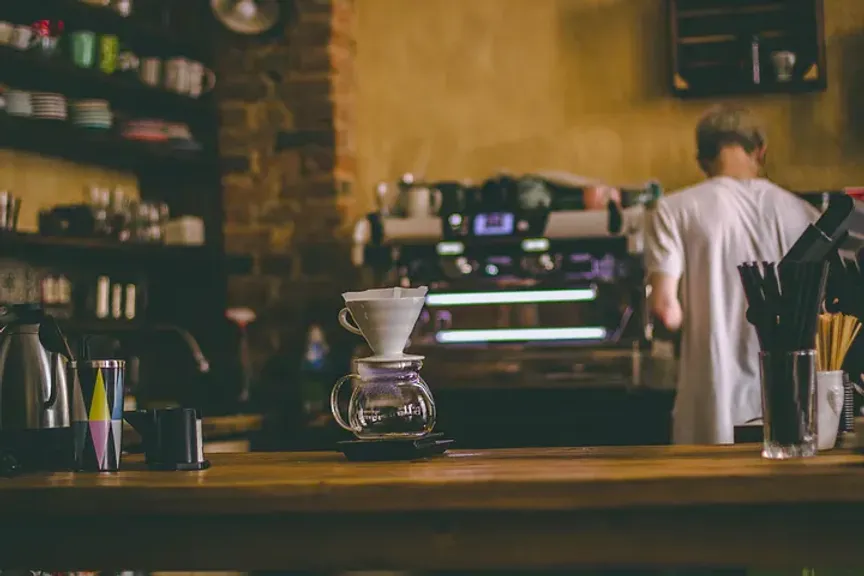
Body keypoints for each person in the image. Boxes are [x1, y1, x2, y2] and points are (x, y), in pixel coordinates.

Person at [645, 106, 818, 445]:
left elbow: (666, 312)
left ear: (702, 159)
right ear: (761, 151)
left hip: (710, 409)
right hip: (788, 409)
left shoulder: (673, 209)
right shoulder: (804, 213)